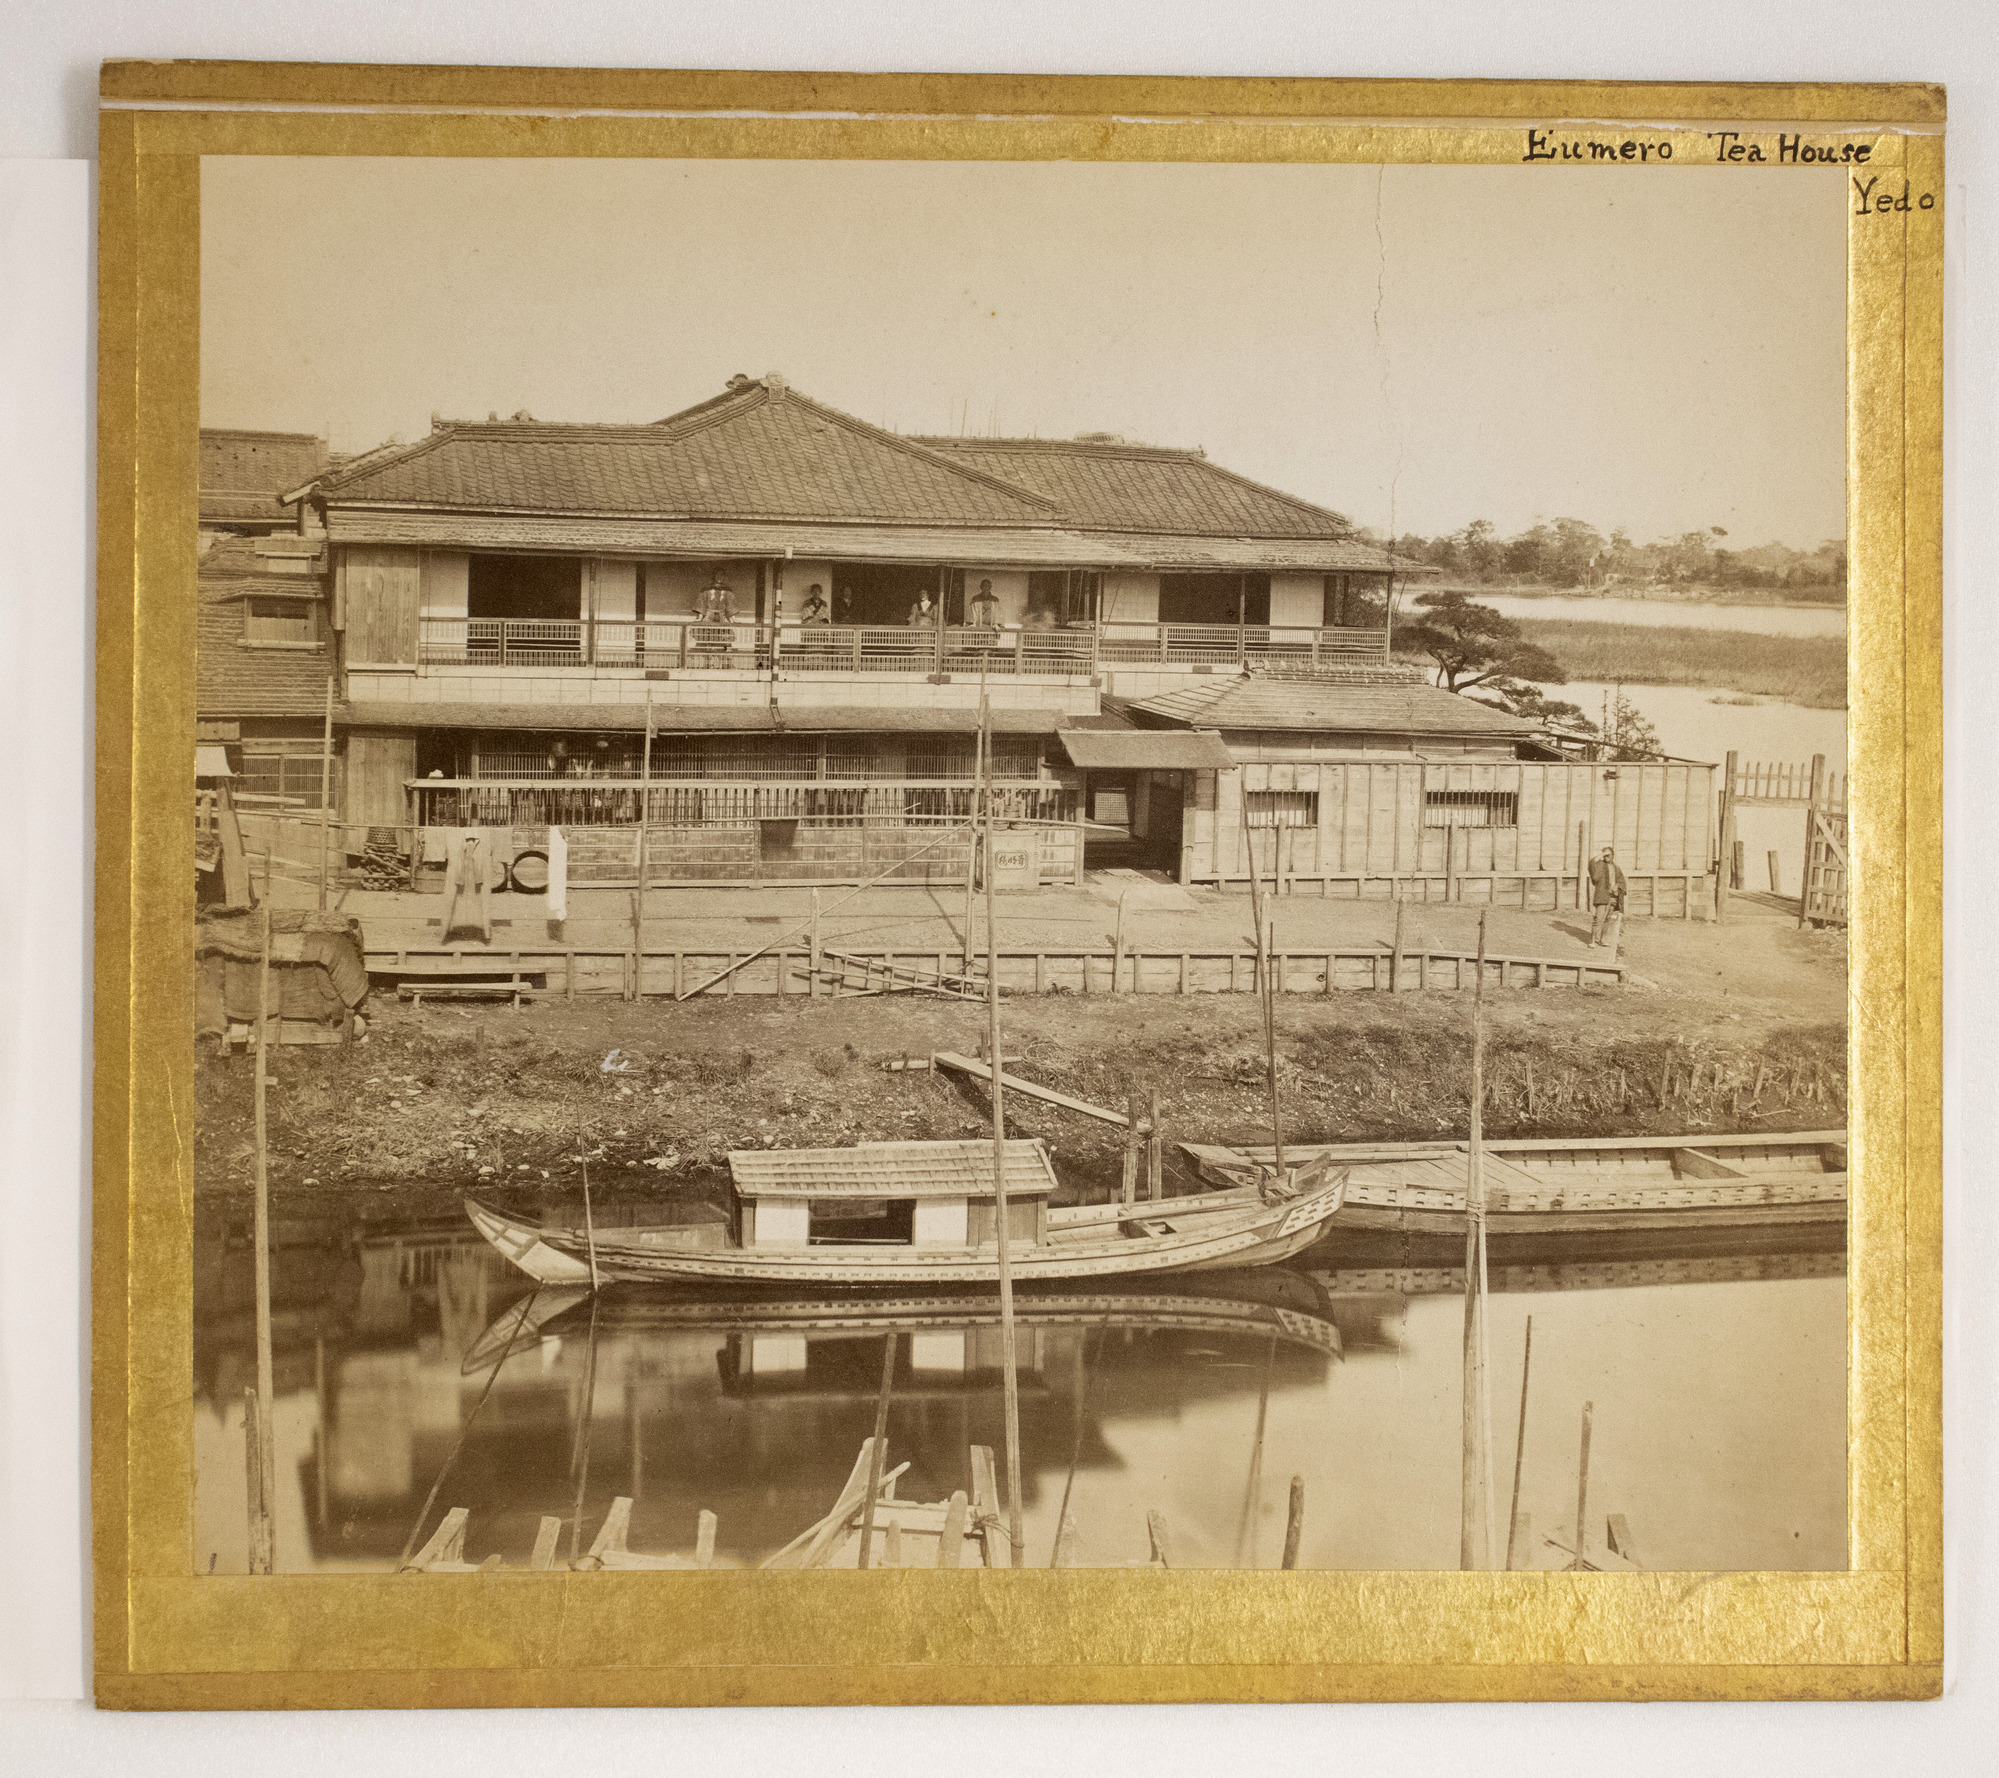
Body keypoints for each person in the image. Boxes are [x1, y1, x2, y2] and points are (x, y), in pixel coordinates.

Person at [1587, 846, 1627, 946]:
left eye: (1609, 855)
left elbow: (1621, 880)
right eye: (1605, 855)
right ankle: (1592, 941)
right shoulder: (1599, 865)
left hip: (1613, 897)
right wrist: (1603, 853)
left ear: (1613, 856)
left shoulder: (1616, 868)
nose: (1607, 857)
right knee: (1598, 919)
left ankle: (1603, 939)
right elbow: (1591, 863)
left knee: (1608, 919)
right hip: (1602, 895)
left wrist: (1617, 886)